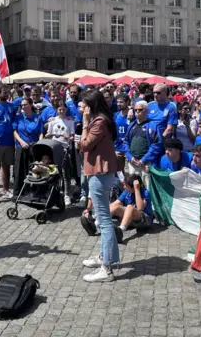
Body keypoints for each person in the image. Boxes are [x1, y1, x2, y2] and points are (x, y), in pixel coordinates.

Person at [79, 90, 119, 282]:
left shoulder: (99, 122)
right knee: (102, 218)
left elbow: (85, 145)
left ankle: (107, 269)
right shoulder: (101, 120)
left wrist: (85, 123)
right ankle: (106, 257)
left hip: (100, 173)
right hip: (98, 172)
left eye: (84, 105)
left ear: (92, 105)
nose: (81, 108)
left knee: (103, 220)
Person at [125, 100, 163, 187]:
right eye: (135, 110)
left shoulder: (153, 125)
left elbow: (157, 144)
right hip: (133, 163)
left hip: (146, 164)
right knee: (134, 188)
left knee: (147, 188)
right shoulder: (131, 125)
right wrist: (130, 157)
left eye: (140, 110)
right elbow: (125, 142)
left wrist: (144, 160)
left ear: (146, 111)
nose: (137, 112)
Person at [12, 98, 44, 194]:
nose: (24, 107)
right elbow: (14, 131)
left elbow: (40, 133)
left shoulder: (38, 117)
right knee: (19, 170)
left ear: (31, 105)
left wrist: (39, 144)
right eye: (22, 105)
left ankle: (34, 190)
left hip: (33, 146)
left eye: (25, 105)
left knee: (34, 169)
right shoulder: (18, 117)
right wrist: (21, 141)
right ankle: (18, 192)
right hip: (21, 146)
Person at [114, 94, 131, 172]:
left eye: (121, 102)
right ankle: (121, 184)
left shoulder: (132, 115)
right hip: (118, 146)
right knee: (119, 170)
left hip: (129, 147)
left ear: (127, 102)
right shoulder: (116, 115)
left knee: (132, 171)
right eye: (118, 102)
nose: (119, 104)